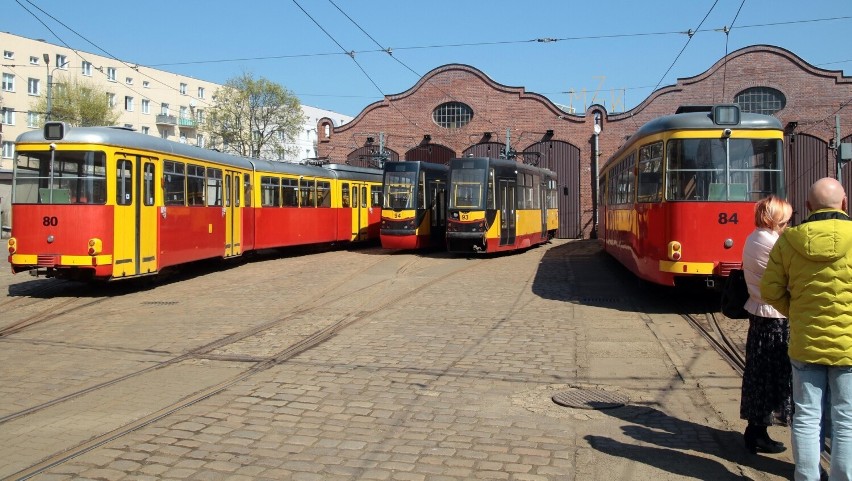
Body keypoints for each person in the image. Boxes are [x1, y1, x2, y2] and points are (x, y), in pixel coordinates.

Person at [761, 177, 852, 481]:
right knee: (846, 419)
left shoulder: (789, 241)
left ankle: (806, 477)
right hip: (849, 348)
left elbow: (770, 290)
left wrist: (796, 312)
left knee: (806, 417)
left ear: (808, 207)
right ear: (845, 203)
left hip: (805, 342)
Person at [740, 195, 793, 455]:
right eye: (785, 218)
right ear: (774, 217)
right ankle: (757, 433)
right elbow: (788, 275)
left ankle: (757, 432)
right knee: (771, 377)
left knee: (761, 376)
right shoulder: (770, 242)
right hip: (773, 316)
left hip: (762, 313)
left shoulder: (755, 237)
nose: (787, 223)